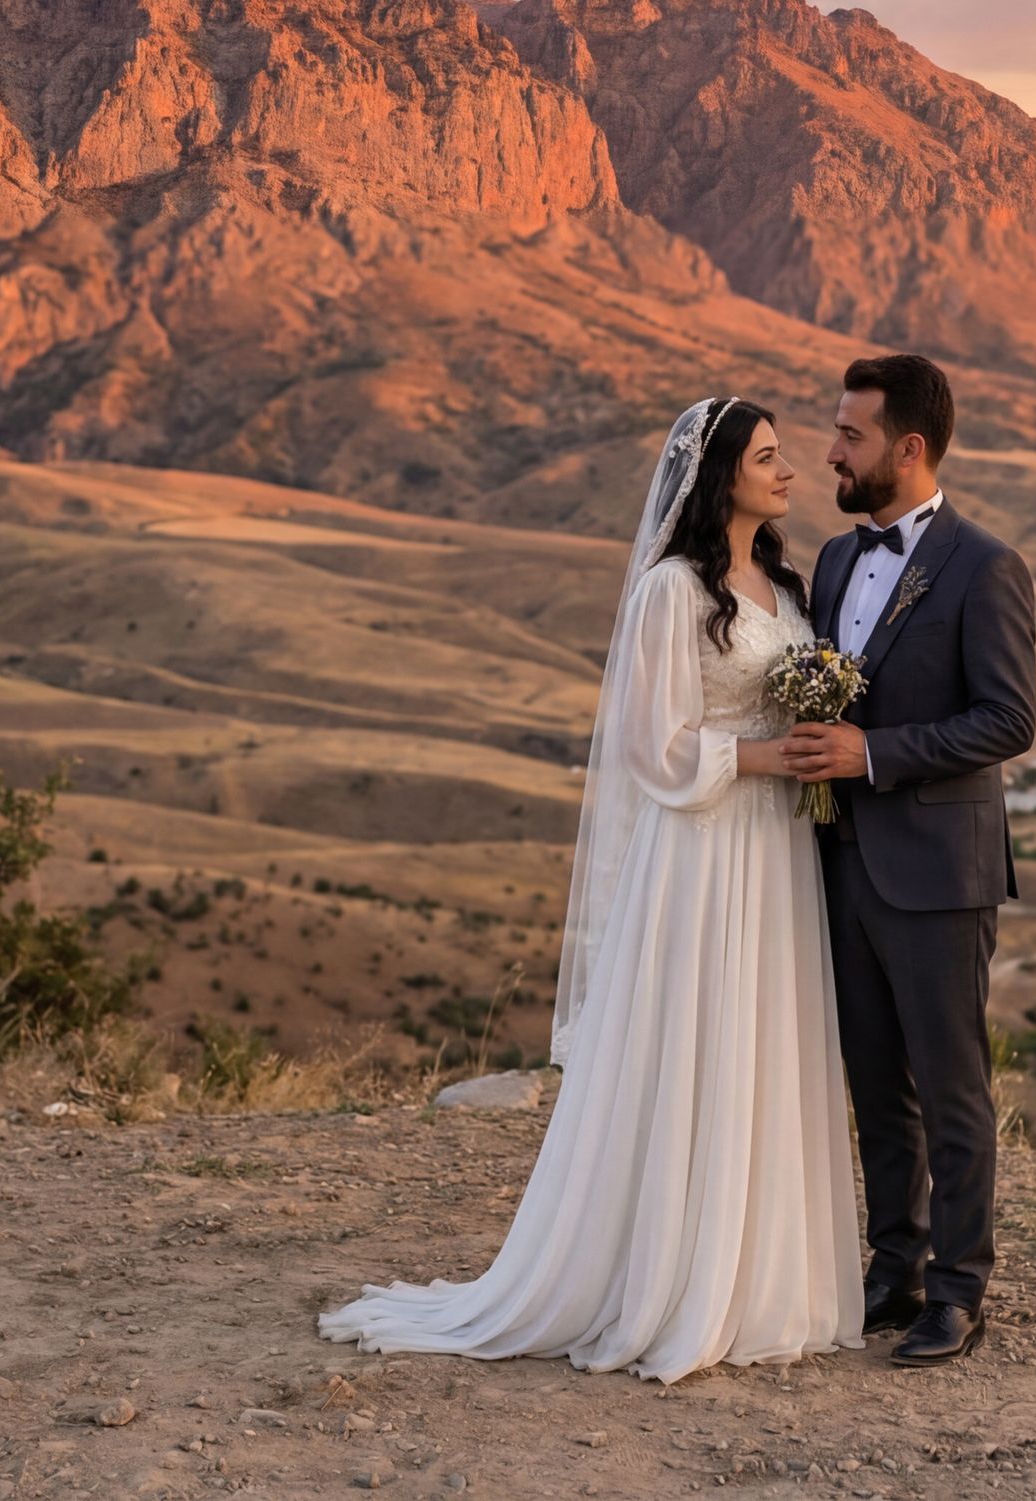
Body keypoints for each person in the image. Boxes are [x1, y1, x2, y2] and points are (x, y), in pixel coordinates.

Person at [318, 398, 860, 1383]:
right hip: (704, 847)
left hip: (777, 856)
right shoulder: (668, 591)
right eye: (771, 458)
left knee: (760, 1040)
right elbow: (651, 744)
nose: (792, 473)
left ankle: (760, 1279)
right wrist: (768, 757)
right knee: (697, 1044)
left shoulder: (783, 583)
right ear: (722, 475)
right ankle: (664, 1279)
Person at [782, 352, 1036, 1367]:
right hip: (843, 862)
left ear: (908, 447)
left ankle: (960, 1289)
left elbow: (1008, 718)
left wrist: (874, 753)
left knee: (951, 1085)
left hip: (938, 874)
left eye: (849, 435)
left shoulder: (987, 567)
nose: (831, 450)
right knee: (875, 1080)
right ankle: (896, 1265)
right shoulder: (838, 562)